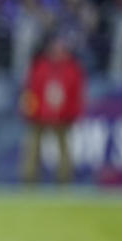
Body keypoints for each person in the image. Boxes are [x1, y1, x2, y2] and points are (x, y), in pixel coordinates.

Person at [19, 33, 86, 184]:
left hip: (64, 116)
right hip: (39, 115)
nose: (58, 51)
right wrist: (31, 111)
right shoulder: (40, 66)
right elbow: (30, 90)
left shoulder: (72, 69)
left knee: (64, 150)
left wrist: (72, 114)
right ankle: (28, 180)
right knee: (32, 148)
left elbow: (76, 95)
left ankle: (64, 180)